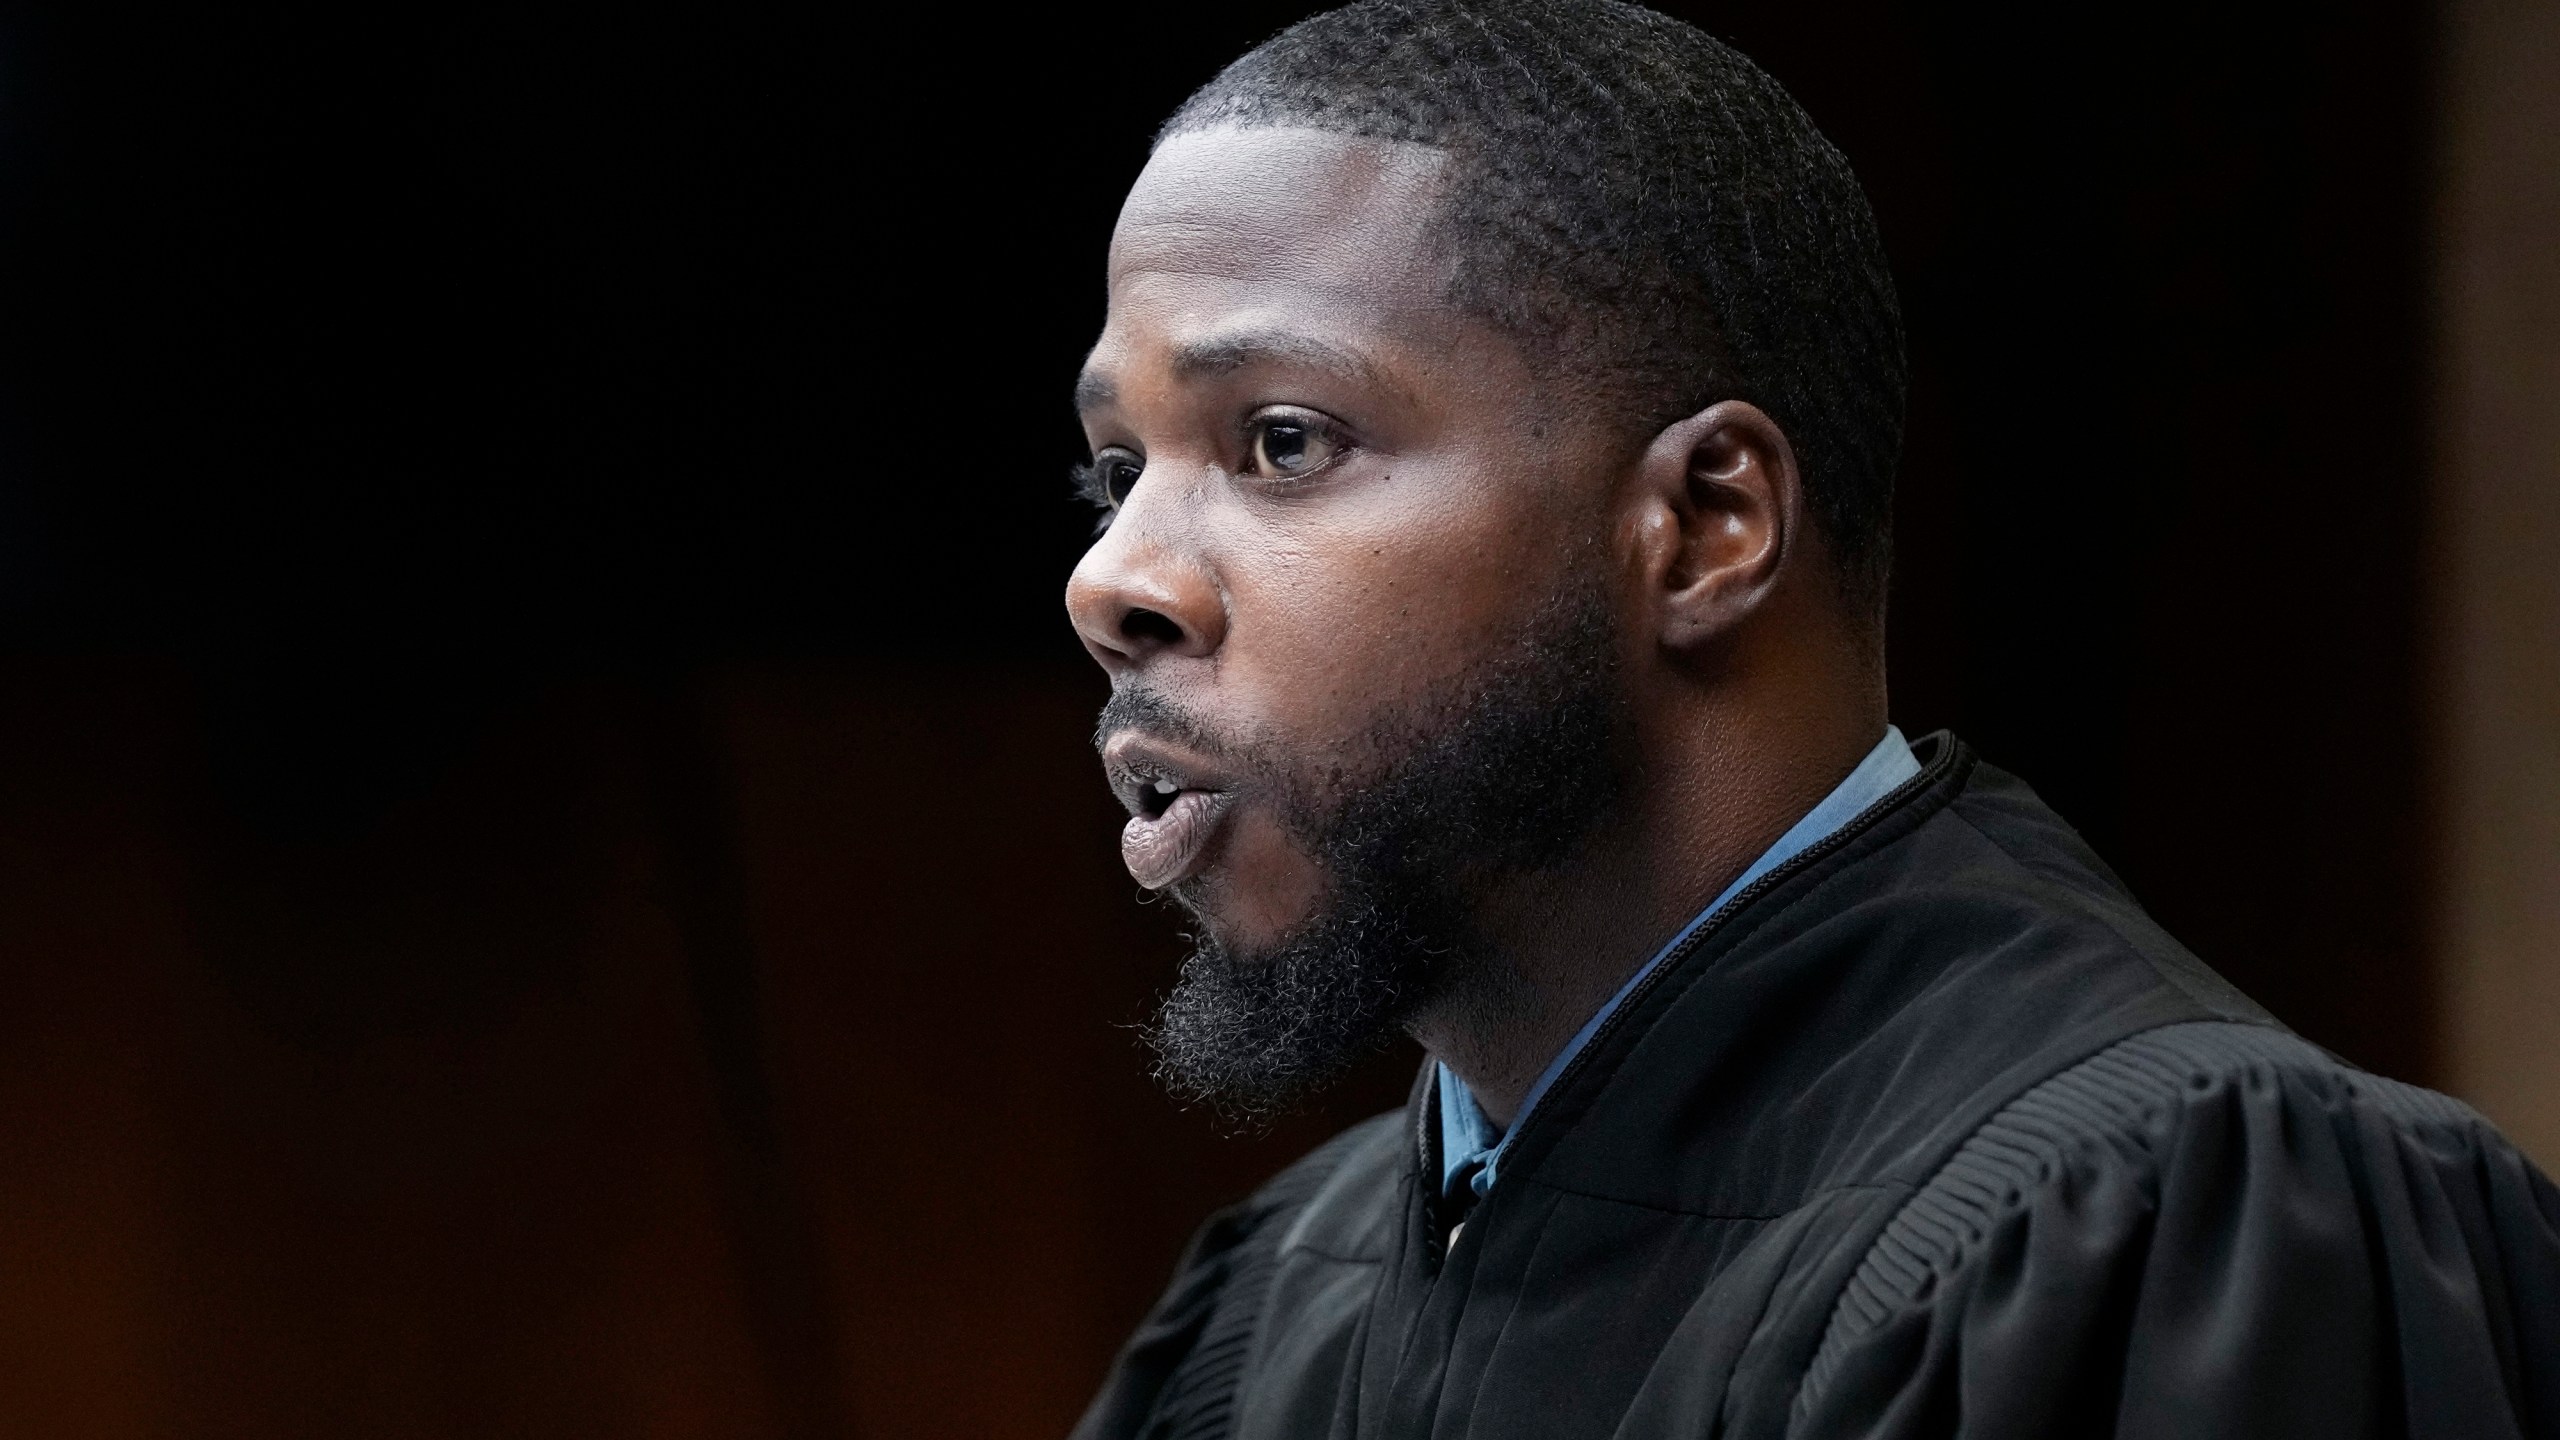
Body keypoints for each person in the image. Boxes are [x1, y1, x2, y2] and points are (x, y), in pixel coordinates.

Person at [1059, 2, 2560, 1435]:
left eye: (1283, 442)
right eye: (1120, 472)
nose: (1111, 578)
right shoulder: (1284, 1307)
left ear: (1709, 527)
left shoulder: (2167, 1227)